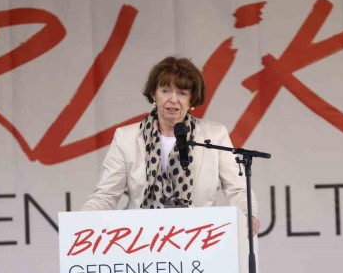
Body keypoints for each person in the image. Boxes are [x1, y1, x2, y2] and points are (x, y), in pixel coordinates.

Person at [82, 56, 259, 231]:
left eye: (182, 93)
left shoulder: (215, 135)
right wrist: (80, 222)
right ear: (154, 94)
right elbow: (106, 195)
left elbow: (238, 189)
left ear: (191, 99)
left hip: (199, 234)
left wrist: (248, 215)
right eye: (165, 91)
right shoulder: (126, 137)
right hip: (142, 235)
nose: (173, 99)